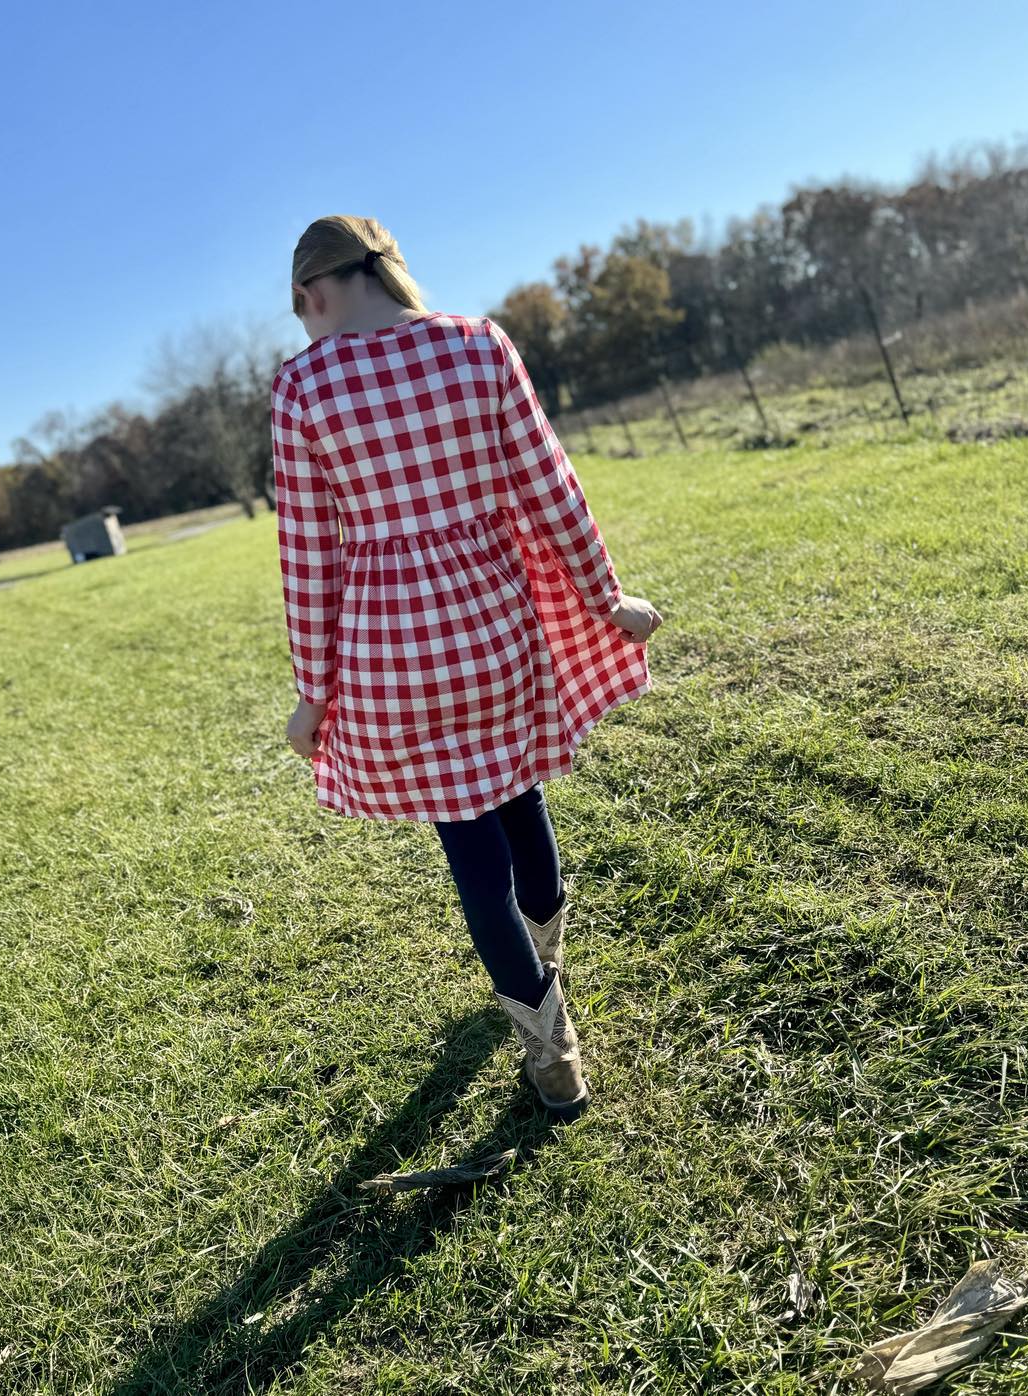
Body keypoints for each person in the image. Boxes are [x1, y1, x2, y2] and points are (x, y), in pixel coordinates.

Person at [271, 215, 662, 1122]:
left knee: (469, 843)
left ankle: (550, 1048)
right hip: (497, 628)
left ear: (315, 292)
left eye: (301, 311)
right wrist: (607, 598)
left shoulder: (305, 385)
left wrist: (312, 696)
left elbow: (308, 558)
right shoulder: (479, 346)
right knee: (520, 789)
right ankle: (550, 955)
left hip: (394, 657)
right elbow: (551, 487)